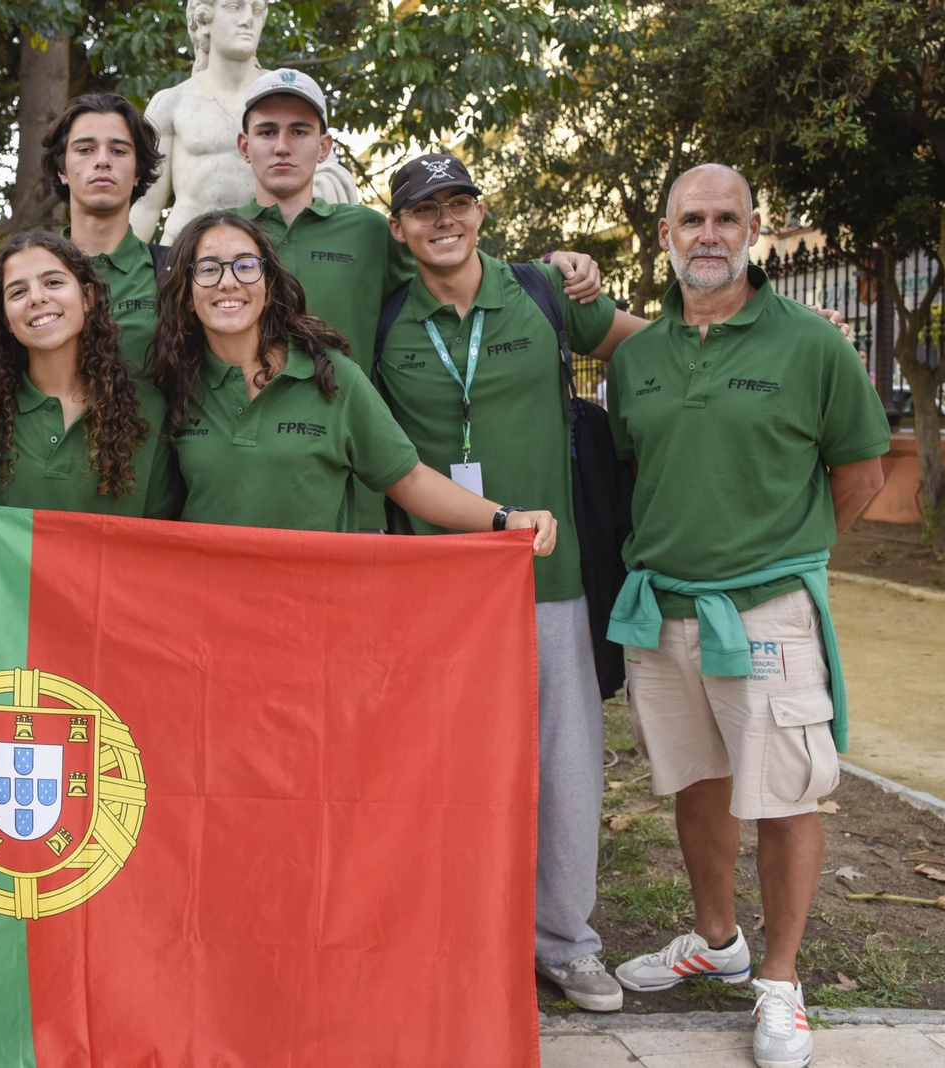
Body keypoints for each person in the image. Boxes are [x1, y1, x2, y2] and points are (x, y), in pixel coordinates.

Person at [606, 163, 888, 1068]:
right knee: (697, 783)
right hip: (667, 613)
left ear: (755, 228)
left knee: (785, 793)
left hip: (766, 614)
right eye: (692, 218)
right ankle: (716, 939)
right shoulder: (641, 355)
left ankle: (777, 981)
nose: (709, 234)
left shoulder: (812, 344)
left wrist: (781, 560)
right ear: (665, 233)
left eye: (728, 218)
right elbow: (637, 466)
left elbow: (862, 474)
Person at [375, 152, 645, 1014]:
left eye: (457, 204)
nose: (442, 221)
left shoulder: (542, 292)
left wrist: (792, 327)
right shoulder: (384, 316)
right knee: (437, 768)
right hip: (432, 584)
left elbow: (650, 344)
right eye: (424, 210)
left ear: (482, 213)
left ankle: (567, 944)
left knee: (565, 764)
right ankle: (453, 935)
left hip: (549, 570)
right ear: (398, 229)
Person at [231, 73, 604, 532]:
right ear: (245, 145)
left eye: (300, 131)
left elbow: (447, 262)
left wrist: (550, 265)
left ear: (324, 147)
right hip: (240, 456)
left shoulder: (367, 231)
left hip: (353, 471)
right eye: (268, 131)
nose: (282, 146)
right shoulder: (219, 235)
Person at [147, 209, 558, 553]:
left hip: (316, 614)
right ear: (186, 293)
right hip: (213, 619)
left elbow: (409, 479)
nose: (228, 281)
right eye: (208, 269)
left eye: (245, 265)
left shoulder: (330, 376)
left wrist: (507, 517)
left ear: (269, 285)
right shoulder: (175, 385)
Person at [0, 229, 181, 517]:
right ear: (5, 319)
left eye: (53, 282)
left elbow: (163, 539)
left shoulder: (151, 410)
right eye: (18, 292)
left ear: (88, 297)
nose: (36, 298)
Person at [130, 0, 358, 244]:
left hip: (273, 254)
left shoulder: (290, 96)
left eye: (257, 10)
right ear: (204, 19)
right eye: (233, 7)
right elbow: (144, 205)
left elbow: (330, 173)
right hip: (186, 256)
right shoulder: (171, 102)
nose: (248, 19)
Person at [39, 93, 167, 367]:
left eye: (119, 151)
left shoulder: (174, 273)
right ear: (62, 169)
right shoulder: (25, 275)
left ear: (137, 173)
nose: (102, 161)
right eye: (85, 149)